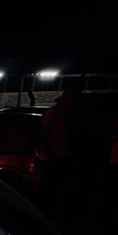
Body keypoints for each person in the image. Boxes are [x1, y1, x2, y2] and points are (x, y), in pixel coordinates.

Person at [38, 87, 80, 217]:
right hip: (52, 157)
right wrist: (48, 154)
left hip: (62, 156)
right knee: (49, 190)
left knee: (58, 189)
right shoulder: (54, 113)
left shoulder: (68, 114)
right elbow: (44, 135)